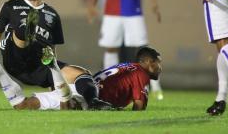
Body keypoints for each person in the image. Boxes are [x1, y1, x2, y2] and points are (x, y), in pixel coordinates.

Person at [10, 46, 162, 111]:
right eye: (158, 63)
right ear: (148, 62)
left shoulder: (127, 66)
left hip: (81, 87)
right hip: (88, 98)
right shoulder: (141, 73)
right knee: (70, 105)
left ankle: (0, 69)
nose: (160, 67)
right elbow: (139, 107)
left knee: (24, 105)